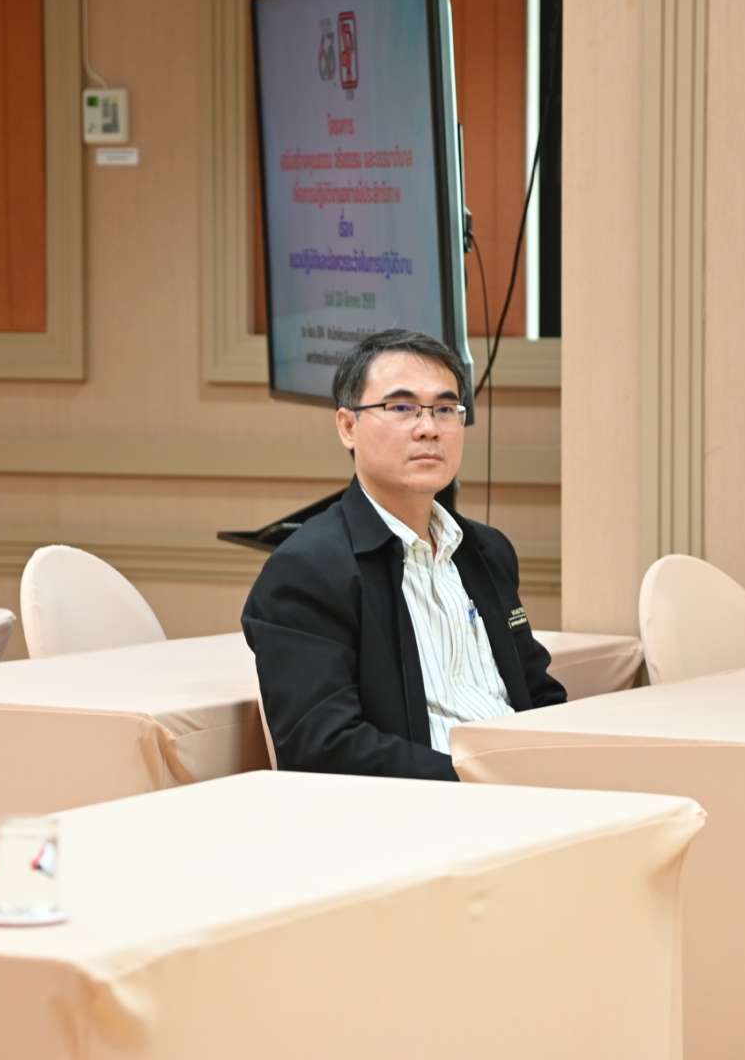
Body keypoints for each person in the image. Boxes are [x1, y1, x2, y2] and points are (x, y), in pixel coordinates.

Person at [242, 329, 566, 780]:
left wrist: (565, 767)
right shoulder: (307, 570)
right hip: (419, 805)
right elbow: (324, 746)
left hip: (529, 792)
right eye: (401, 408)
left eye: (445, 409)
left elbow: (537, 694)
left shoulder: (486, 550)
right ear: (348, 426)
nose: (429, 428)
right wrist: (481, 781)